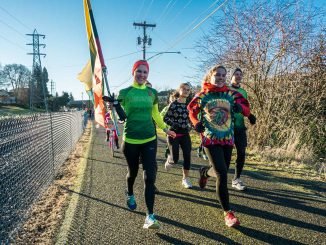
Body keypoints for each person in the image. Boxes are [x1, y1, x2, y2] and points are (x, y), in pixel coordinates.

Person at [187, 64, 250, 227]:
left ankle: (205, 173)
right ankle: (228, 213)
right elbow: (191, 110)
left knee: (220, 170)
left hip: (228, 138)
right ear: (210, 76)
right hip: (210, 138)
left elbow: (247, 109)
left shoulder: (231, 94)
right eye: (218, 75)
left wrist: (240, 108)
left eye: (223, 75)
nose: (221, 77)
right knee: (222, 173)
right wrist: (196, 123)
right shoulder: (202, 95)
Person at [117, 60, 176, 229]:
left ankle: (150, 216)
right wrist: (111, 106)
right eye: (139, 71)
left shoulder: (152, 93)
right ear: (133, 72)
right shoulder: (124, 92)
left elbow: (156, 114)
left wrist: (165, 128)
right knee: (132, 173)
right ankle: (129, 192)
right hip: (130, 141)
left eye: (145, 72)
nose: (142, 75)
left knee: (150, 177)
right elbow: (117, 112)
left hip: (149, 139)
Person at [229, 68, 256, 191]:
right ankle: (209, 172)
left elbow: (245, 107)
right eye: (236, 74)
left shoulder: (243, 92)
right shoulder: (225, 89)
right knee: (226, 157)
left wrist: (250, 116)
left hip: (240, 127)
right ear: (231, 75)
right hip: (226, 128)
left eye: (240, 74)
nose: (238, 76)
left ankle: (236, 179)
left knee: (241, 153)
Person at [163, 83, 193, 188]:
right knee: (175, 160)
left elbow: (192, 119)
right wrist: (174, 124)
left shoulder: (189, 105)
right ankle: (170, 159)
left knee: (187, 157)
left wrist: (192, 126)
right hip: (173, 134)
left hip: (185, 134)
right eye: (184, 89)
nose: (186, 91)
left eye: (188, 90)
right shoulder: (174, 104)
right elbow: (165, 118)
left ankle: (185, 179)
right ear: (179, 90)